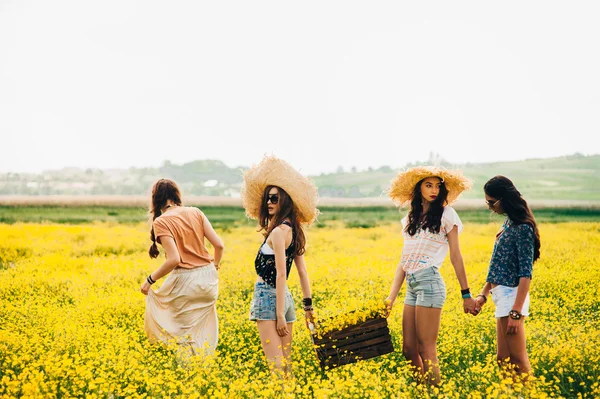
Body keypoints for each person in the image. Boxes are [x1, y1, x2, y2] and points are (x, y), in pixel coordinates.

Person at [385, 166, 478, 385]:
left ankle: (434, 391)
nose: (434, 190)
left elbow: (456, 256)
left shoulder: (447, 214)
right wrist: (391, 297)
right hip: (412, 285)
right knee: (408, 350)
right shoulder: (410, 219)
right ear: (419, 189)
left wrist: (466, 294)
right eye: (428, 185)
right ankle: (422, 390)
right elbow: (404, 261)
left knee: (426, 349)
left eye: (438, 186)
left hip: (429, 282)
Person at [241, 155, 318, 378]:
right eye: (267, 198)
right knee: (287, 367)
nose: (269, 203)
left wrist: (279, 315)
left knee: (276, 367)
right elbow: (302, 272)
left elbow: (282, 274)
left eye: (274, 198)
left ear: (285, 200)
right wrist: (308, 307)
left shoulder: (277, 233)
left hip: (269, 298)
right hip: (287, 301)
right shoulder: (294, 231)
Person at [140, 178, 225, 355]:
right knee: (201, 330)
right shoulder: (196, 212)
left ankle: (186, 373)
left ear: (156, 199)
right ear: (176, 195)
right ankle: (203, 368)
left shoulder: (161, 221)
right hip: (208, 279)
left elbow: (174, 260)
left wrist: (150, 280)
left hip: (187, 282)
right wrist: (214, 267)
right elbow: (219, 245)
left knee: (178, 331)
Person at [473, 175, 540, 380]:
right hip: (501, 295)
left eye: (492, 202)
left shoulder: (522, 227)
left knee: (518, 359)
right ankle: (511, 393)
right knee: (502, 359)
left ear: (504, 199)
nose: (490, 206)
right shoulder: (508, 222)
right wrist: (483, 296)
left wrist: (516, 311)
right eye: (487, 202)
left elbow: (525, 273)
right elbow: (497, 266)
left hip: (512, 297)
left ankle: (529, 393)